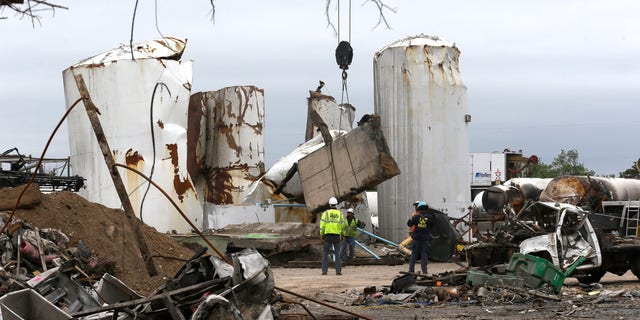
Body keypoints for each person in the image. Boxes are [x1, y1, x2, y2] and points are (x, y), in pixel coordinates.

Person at [406, 201, 435, 274]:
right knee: (424, 254)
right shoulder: (430, 217)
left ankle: (411, 270)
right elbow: (432, 225)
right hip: (425, 239)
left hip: (416, 238)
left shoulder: (416, 217)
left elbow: (409, 224)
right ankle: (424, 270)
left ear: (418, 208)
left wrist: (412, 218)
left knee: (414, 254)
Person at [320, 197, 345, 275]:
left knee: (325, 253)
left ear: (330, 204)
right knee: (337, 253)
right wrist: (343, 235)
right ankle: (338, 271)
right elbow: (343, 226)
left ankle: (324, 271)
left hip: (327, 236)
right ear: (336, 204)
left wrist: (321, 234)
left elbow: (322, 225)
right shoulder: (340, 214)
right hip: (336, 236)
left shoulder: (326, 213)